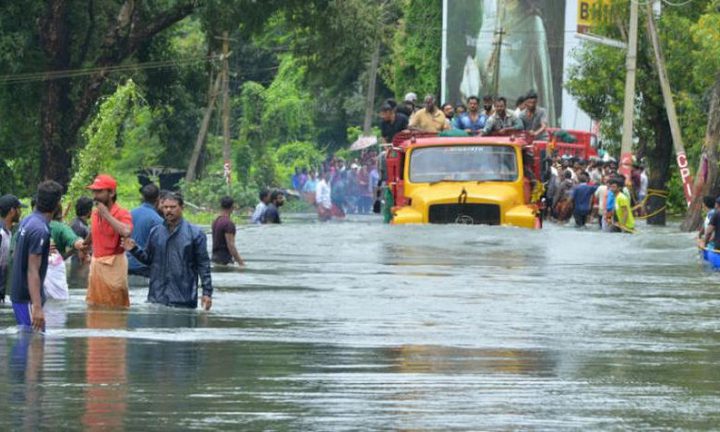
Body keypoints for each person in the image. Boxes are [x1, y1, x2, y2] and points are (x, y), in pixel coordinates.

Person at [124, 192, 213, 310]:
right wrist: (134, 249)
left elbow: (203, 265)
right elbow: (149, 259)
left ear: (182, 208)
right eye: (165, 207)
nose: (168, 210)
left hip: (183, 298)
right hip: (157, 297)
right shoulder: (155, 232)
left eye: (173, 207)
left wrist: (207, 293)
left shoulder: (195, 234)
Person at [11, 181, 63, 332]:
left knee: (28, 344)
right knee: (34, 343)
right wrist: (37, 307)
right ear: (57, 204)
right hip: (27, 298)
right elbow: (32, 270)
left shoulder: (27, 220)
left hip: (20, 294)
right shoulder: (40, 229)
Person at [85, 174, 133, 308]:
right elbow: (94, 232)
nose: (95, 195)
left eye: (99, 191)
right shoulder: (95, 213)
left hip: (114, 268)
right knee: (94, 308)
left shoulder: (122, 213)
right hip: (96, 267)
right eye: (93, 191)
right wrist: (83, 246)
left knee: (114, 309)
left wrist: (106, 214)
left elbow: (126, 231)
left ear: (111, 193)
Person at [128, 184, 163, 278]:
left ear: (142, 197)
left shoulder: (129, 214)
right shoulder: (158, 220)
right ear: (158, 199)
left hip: (126, 265)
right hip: (144, 268)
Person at [0, 194, 25, 303]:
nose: (20, 212)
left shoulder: (8, 232)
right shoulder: (1, 234)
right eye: (19, 209)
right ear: (12, 211)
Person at [211, 196, 245, 267]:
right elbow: (231, 246)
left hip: (214, 259)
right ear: (232, 207)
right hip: (224, 261)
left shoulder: (215, 221)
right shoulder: (228, 224)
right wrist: (241, 263)